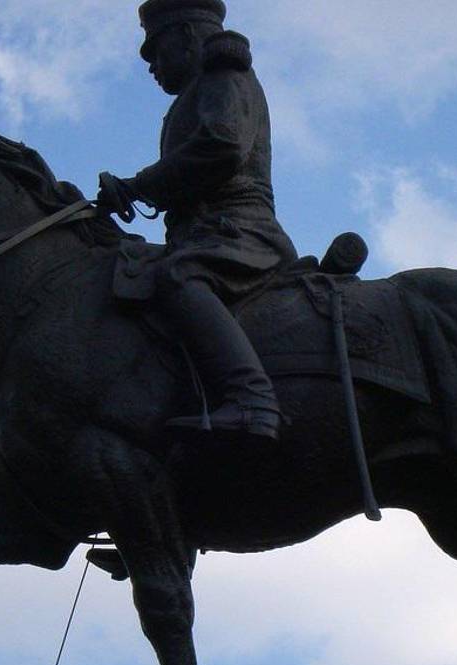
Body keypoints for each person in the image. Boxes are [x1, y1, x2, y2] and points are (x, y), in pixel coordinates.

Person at [97, 0, 297, 441]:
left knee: (178, 277)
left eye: (156, 51)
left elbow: (222, 146)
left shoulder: (223, 71)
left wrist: (138, 186)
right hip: (204, 233)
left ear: (187, 36)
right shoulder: (195, 90)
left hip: (241, 231)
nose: (152, 66)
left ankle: (253, 401)